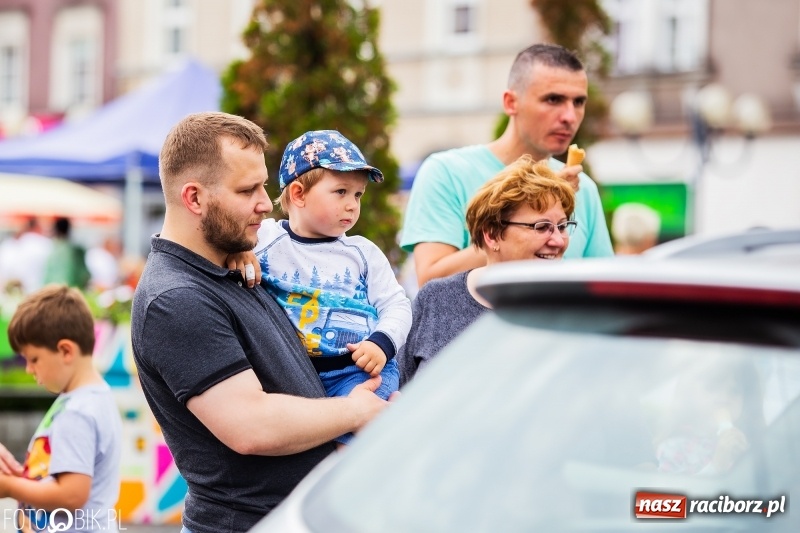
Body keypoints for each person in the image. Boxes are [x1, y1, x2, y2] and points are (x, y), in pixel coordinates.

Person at [130, 112, 391, 533]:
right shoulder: (175, 298)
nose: (266, 203)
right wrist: (356, 411)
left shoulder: (232, 265)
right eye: (247, 190)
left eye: (263, 186)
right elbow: (251, 426)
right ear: (194, 199)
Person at [400, 43, 613, 286]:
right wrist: (515, 227)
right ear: (511, 102)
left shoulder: (582, 187)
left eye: (578, 102)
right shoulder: (446, 171)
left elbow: (602, 286)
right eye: (553, 99)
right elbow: (431, 284)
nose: (569, 116)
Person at [255, 130, 411, 444]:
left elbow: (397, 304)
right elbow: (231, 246)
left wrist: (382, 343)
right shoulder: (267, 240)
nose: (352, 205)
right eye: (340, 192)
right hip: (296, 373)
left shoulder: (362, 253)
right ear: (298, 194)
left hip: (356, 370)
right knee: (304, 440)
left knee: (359, 439)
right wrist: (238, 257)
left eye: (358, 195)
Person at [398, 155, 576, 385]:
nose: (558, 241)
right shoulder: (436, 300)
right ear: (491, 235)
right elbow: (397, 394)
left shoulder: (574, 311)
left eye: (562, 227)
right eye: (542, 227)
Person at [1, 285, 122, 533]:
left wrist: (9, 488)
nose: (28, 369)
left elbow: (70, 495)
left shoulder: (77, 412)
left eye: (33, 359)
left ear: (65, 351)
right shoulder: (91, 397)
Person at [654, 356, 764, 476]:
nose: (724, 399)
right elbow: (669, 493)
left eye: (734, 391)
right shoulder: (673, 448)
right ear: (690, 393)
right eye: (712, 388)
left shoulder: (753, 447)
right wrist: (716, 466)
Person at [43, 217, 90, 290]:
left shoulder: (53, 249)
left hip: (55, 290)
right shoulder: (76, 249)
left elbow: (47, 277)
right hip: (72, 291)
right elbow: (85, 275)